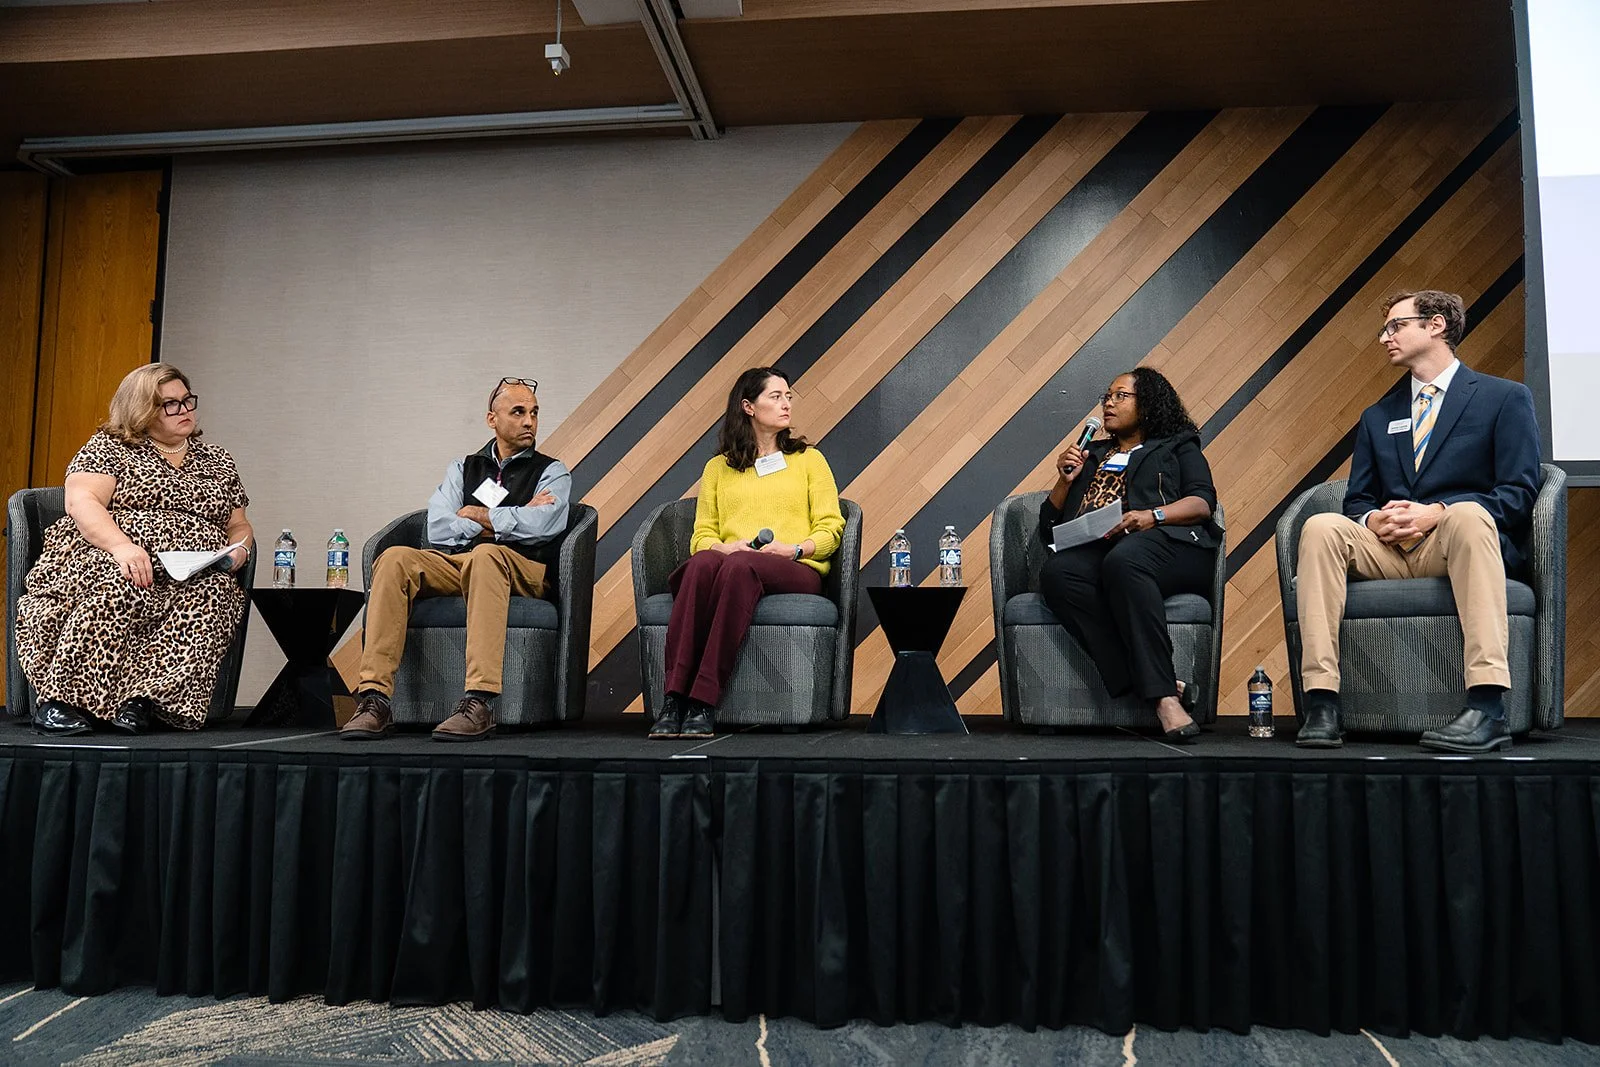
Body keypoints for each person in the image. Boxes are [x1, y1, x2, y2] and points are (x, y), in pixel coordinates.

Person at [1293, 290, 1540, 753]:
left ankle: (1487, 706)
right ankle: (1322, 701)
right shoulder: (1377, 416)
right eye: (1384, 330)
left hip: (1456, 541)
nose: (1385, 338)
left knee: (1469, 514)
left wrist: (1438, 513)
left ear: (1437, 325)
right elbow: (1358, 498)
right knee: (1321, 527)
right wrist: (1371, 520)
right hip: (1389, 549)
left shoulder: (1503, 398)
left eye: (1396, 326)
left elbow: (1518, 493)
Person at [16, 364, 254, 735]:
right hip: (114, 553)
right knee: (119, 584)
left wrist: (238, 548)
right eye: (169, 404)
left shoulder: (218, 459)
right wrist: (124, 548)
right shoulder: (110, 448)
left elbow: (237, 522)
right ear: (141, 410)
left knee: (218, 595)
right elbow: (82, 503)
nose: (185, 410)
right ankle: (61, 701)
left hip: (192, 567)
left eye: (187, 400)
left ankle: (143, 703)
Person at [340, 378, 570, 742]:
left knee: (487, 555)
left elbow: (544, 525)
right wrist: (512, 517)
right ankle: (375, 699)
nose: (530, 421)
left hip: (521, 568)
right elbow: (439, 527)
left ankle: (479, 702)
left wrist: (478, 517)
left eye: (535, 413)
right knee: (395, 558)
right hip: (462, 563)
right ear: (492, 419)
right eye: (519, 412)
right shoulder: (462, 468)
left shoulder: (551, 471)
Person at [649, 366, 845, 739]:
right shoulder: (717, 469)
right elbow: (702, 535)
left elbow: (831, 528)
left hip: (795, 566)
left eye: (788, 396)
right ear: (748, 407)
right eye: (776, 396)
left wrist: (795, 549)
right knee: (703, 562)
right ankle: (674, 699)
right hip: (734, 561)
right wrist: (724, 546)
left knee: (737, 566)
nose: (786, 404)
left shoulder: (808, 460)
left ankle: (703, 699)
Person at [1037, 367, 1222, 741]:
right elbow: (1047, 528)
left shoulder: (1177, 445)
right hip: (1106, 547)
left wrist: (1151, 516)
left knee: (1125, 560)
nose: (1109, 403)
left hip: (1171, 543)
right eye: (1107, 396)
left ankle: (1166, 699)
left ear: (1148, 403)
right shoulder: (1093, 455)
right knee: (1057, 572)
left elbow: (1202, 502)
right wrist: (1064, 479)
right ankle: (1157, 681)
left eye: (1121, 396)